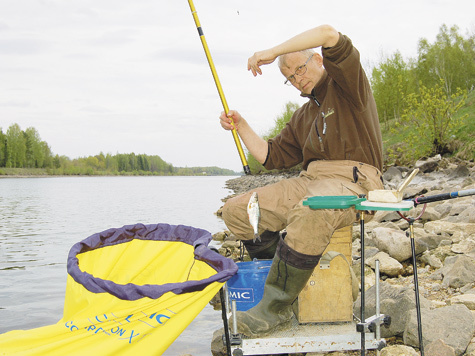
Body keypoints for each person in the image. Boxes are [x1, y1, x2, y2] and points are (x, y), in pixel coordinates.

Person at [219, 24, 384, 337]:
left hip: (354, 178)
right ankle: (290, 276)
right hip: (310, 179)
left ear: (319, 61)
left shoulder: (349, 86)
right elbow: (270, 156)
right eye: (290, 76)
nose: (297, 78)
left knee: (312, 209)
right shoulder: (302, 116)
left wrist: (274, 52)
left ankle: (273, 309)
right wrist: (240, 126)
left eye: (300, 68)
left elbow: (328, 33)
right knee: (237, 211)